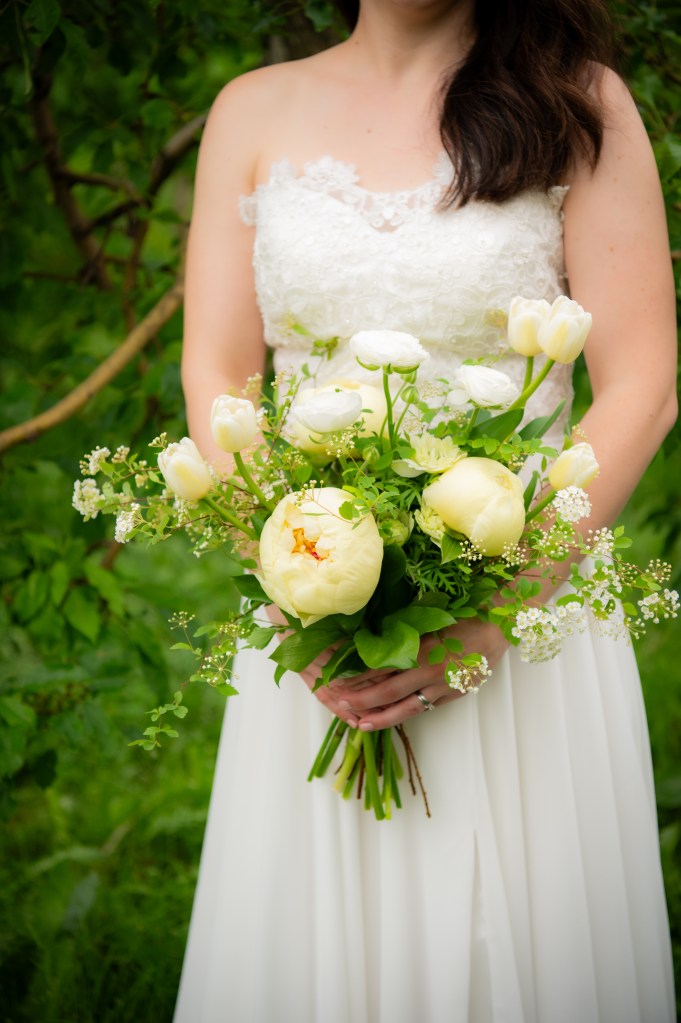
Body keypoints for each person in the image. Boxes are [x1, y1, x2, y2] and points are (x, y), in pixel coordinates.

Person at [174, 1, 677, 1020]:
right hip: (312, 625)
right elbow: (220, 368)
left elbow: (644, 385)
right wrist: (299, 589)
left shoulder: (576, 103)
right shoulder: (252, 109)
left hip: (527, 620)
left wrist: (497, 610)